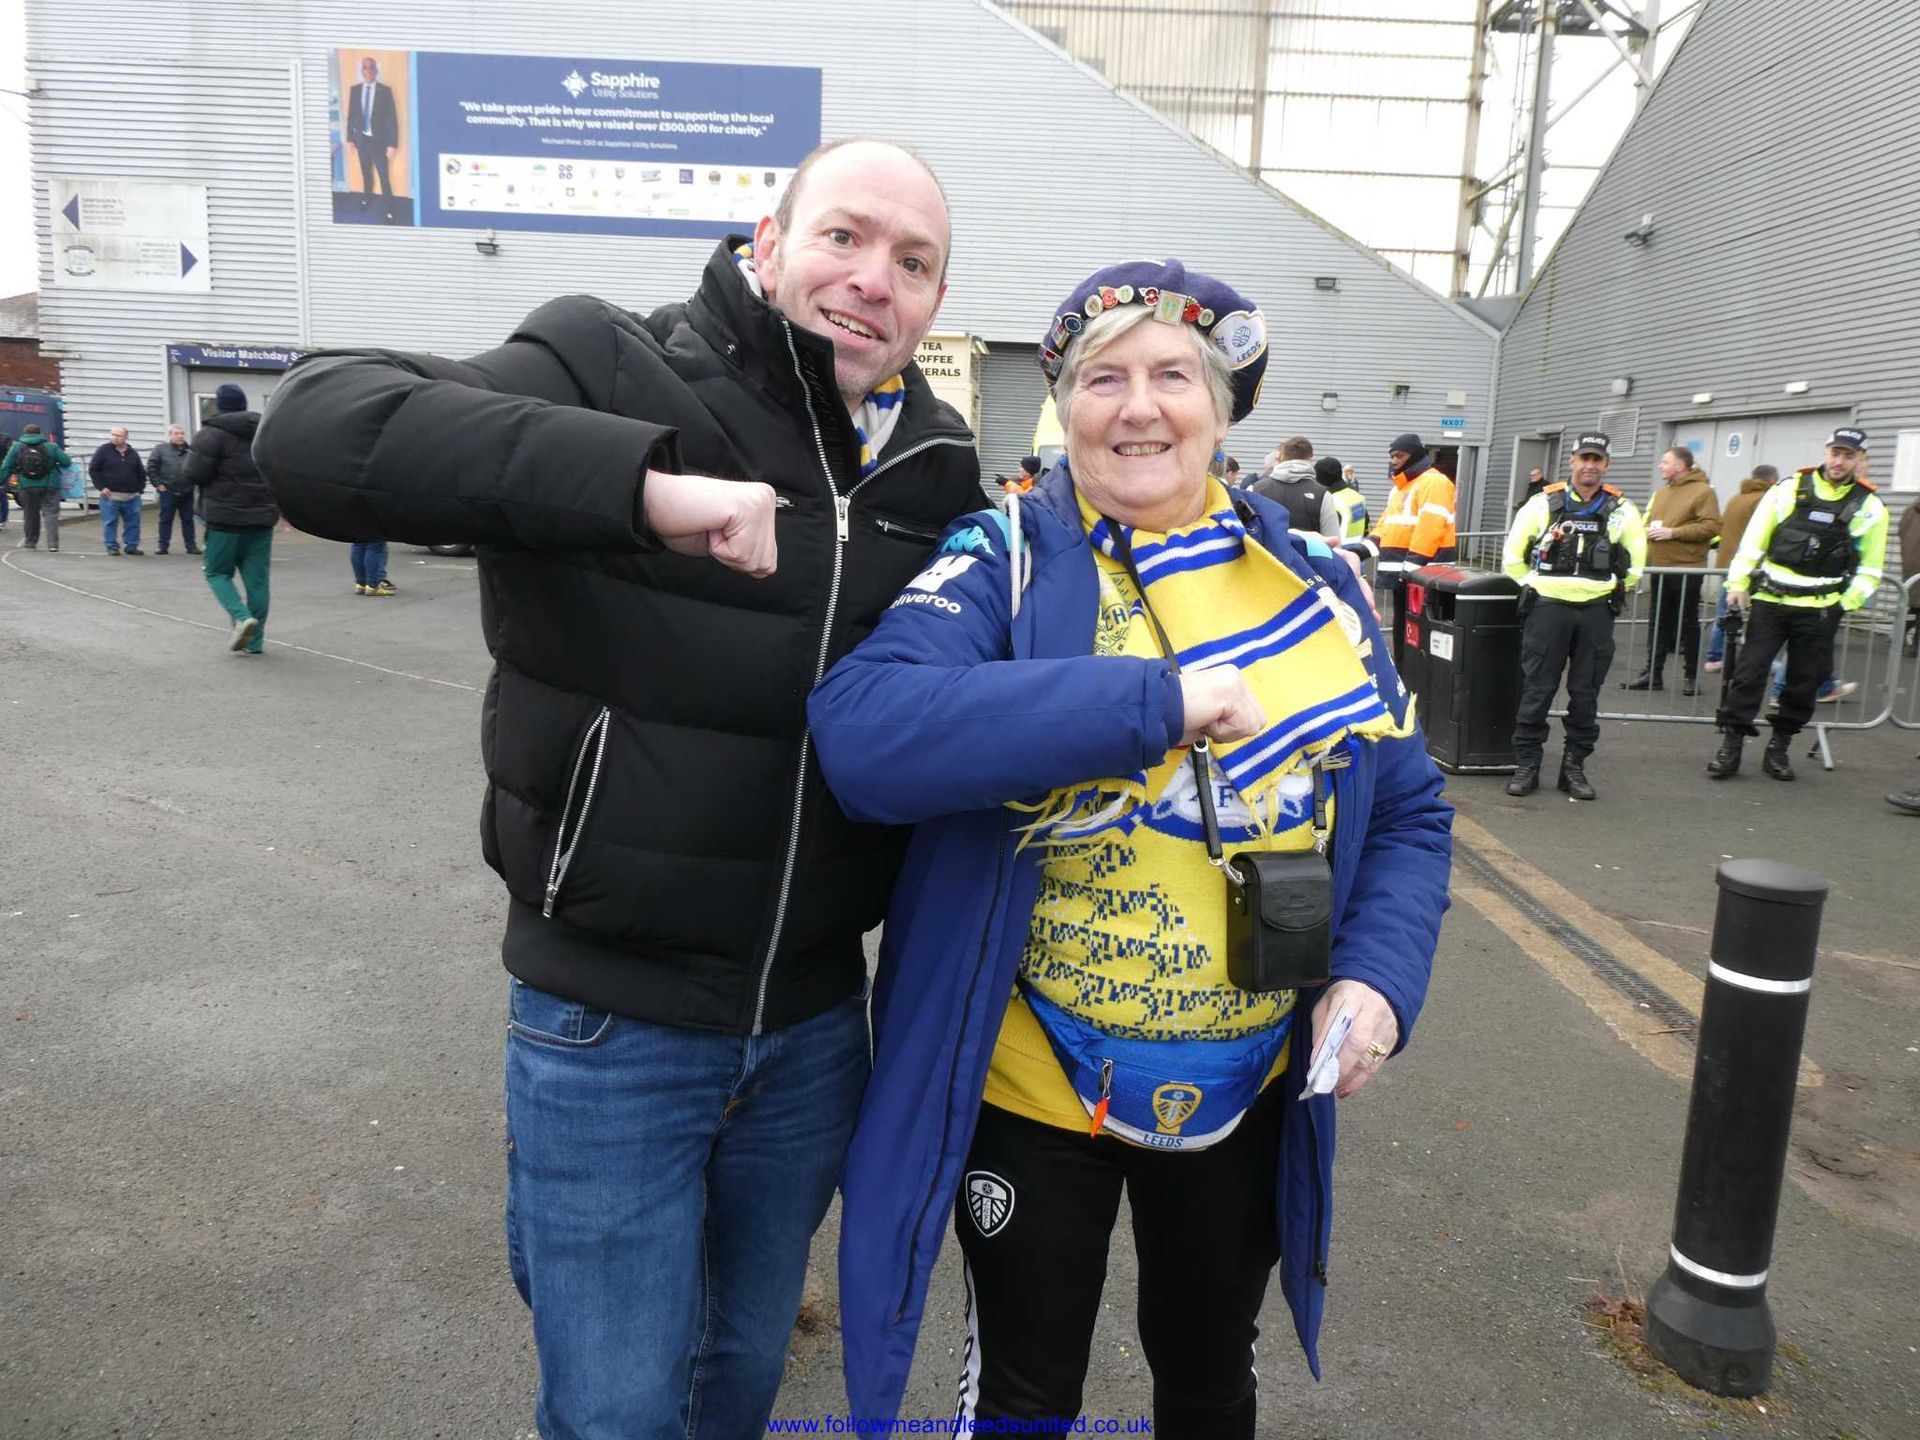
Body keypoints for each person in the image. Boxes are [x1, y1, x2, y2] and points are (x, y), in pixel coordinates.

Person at [254, 138, 980, 1438]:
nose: (875, 279)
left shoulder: (932, 467)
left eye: (913, 262)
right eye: (844, 236)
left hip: (814, 1028)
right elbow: (318, 428)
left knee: (737, 1379)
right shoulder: (609, 359)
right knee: (615, 1410)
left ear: (933, 301)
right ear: (769, 244)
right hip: (611, 1025)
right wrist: (640, 490)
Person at [810, 259, 1451, 1431]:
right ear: (1065, 407)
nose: (1139, 407)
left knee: (1210, 1384)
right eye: (1104, 379)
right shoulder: (1004, 555)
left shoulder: (1320, 585)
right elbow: (864, 732)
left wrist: (1377, 978)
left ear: (1223, 407)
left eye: (1173, 377)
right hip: (1031, 1085)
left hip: (1248, 1084)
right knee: (1023, 1391)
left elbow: (1409, 811)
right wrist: (1152, 703)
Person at [1709, 427, 1887, 781]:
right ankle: (1731, 745)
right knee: (1748, 675)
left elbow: (1870, 568)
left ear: (1860, 460)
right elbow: (1754, 541)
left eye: (1848, 455)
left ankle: (1779, 747)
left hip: (1820, 609)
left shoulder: (1870, 506)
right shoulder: (1789, 488)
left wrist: (1844, 603)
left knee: (1803, 683)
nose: (1839, 461)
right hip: (1771, 601)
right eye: (1835, 452)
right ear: (1826, 452)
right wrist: (1738, 583)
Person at [1501, 432, 1647, 800]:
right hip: (1548, 610)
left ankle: (1574, 767)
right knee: (1537, 689)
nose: (1589, 466)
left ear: (1606, 465)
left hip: (1596, 612)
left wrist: (1611, 590)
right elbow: (1513, 558)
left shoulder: (1622, 510)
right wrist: (1534, 585)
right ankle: (1527, 764)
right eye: (1584, 458)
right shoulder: (1542, 504)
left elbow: (1635, 565)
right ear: (1572, 461)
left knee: (1586, 693)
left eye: (1597, 460)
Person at [187, 384, 277, 652]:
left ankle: (241, 617)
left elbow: (194, 473)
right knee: (257, 581)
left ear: (220, 405)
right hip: (262, 517)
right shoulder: (266, 432)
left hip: (224, 517)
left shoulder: (210, 434)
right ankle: (255, 642)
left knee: (216, 572)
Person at [1625, 446, 1720, 696]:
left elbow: (1710, 527)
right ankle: (1652, 674)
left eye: (1665, 462)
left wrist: (1673, 532)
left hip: (1687, 568)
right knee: (1658, 622)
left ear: (1680, 466)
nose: (1660, 466)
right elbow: (1649, 521)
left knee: (1688, 623)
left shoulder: (1704, 491)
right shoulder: (1662, 493)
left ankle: (1690, 676)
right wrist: (1646, 531)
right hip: (1660, 566)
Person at [1704, 463, 1777, 672]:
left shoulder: (1736, 498)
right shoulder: (1763, 500)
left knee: (1725, 612)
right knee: (1759, 617)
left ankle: (1715, 656)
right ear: (1772, 480)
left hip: (1727, 563)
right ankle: (1753, 661)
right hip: (1751, 567)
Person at [1246, 434, 1342, 539]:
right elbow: (1333, 541)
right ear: (1311, 459)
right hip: (1307, 550)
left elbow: (1244, 535)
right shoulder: (1322, 496)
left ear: (1281, 457)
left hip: (1263, 550)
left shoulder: (1254, 490)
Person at [2, 424, 73, 551]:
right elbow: (66, 462)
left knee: (30, 514)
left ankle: (31, 542)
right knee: (51, 514)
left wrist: (1, 480)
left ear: (24, 434)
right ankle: (52, 544)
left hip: (26, 485)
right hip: (50, 484)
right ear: (40, 433)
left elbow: (6, 466)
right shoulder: (51, 446)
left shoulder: (17, 447)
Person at [89, 425, 148, 555]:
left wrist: (140, 489)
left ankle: (131, 546)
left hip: (132, 496)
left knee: (133, 522)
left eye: (118, 435)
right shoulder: (103, 451)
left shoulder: (132, 453)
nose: (114, 438)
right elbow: (94, 469)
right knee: (110, 522)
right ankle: (112, 546)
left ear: (126, 437)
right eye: (113, 435)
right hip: (111, 495)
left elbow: (141, 472)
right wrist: (101, 487)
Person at [348, 56, 400, 204]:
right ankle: (367, 198)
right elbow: (351, 116)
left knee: (383, 176)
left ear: (376, 70)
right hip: (362, 140)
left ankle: (389, 207)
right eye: (365, 67)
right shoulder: (355, 90)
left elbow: (392, 120)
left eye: (372, 67)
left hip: (379, 142)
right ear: (362, 71)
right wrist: (350, 138)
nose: (369, 70)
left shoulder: (385, 91)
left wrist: (392, 144)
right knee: (366, 173)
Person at [148, 424, 200, 556]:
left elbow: (198, 467)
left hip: (187, 491)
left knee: (188, 520)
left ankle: (191, 546)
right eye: (176, 433)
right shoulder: (161, 449)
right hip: (168, 490)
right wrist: (158, 484)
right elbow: (152, 467)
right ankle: (163, 546)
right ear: (170, 435)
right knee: (166, 520)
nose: (180, 436)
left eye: (182, 433)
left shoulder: (191, 450)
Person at [1316, 454, 1368, 540]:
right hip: (1358, 546)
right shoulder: (1357, 497)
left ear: (1321, 482)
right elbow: (1367, 529)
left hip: (1338, 547)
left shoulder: (1330, 501)